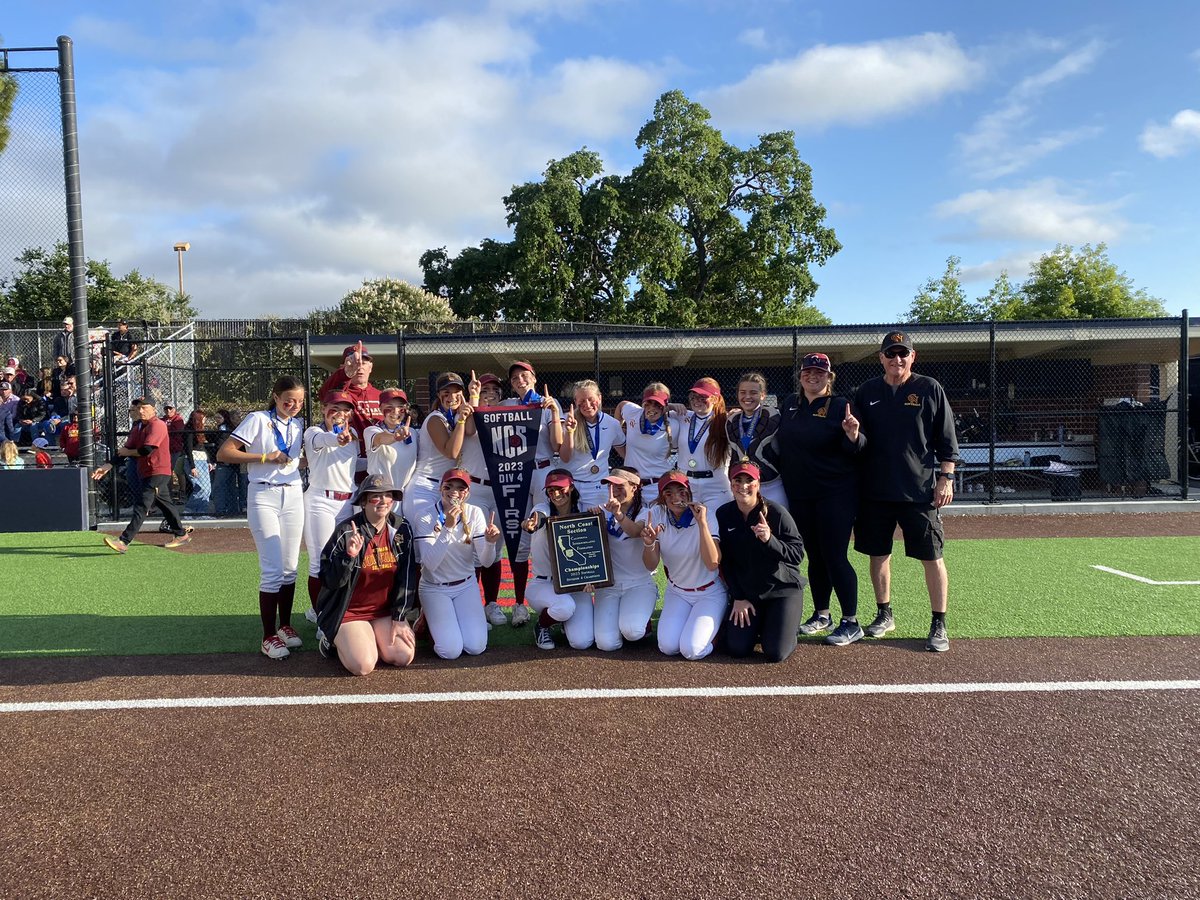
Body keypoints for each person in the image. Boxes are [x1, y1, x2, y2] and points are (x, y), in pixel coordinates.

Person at [853, 331, 959, 653]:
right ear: (881, 357)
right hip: (876, 491)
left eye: (903, 353)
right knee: (878, 554)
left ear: (913, 356)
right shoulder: (867, 392)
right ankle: (884, 614)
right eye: (890, 353)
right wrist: (852, 435)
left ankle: (939, 623)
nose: (897, 359)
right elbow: (858, 441)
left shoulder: (929, 389)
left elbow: (947, 441)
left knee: (932, 557)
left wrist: (947, 478)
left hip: (919, 492)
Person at [775, 352, 866, 646]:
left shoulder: (841, 406)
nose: (813, 377)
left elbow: (858, 449)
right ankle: (822, 614)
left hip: (834, 494)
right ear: (800, 375)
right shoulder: (790, 404)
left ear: (829, 377)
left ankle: (851, 622)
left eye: (819, 373)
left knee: (834, 555)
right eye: (808, 372)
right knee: (813, 555)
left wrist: (853, 435)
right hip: (800, 494)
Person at [216, 375, 306, 660]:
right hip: (263, 495)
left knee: (291, 567)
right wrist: (264, 457)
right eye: (288, 400)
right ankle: (268, 636)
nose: (294, 406)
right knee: (272, 569)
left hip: (293, 493)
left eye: (300, 401)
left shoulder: (298, 424)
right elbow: (225, 453)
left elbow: (293, 458)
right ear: (276, 397)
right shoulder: (257, 419)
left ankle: (285, 626)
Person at [314, 474, 417, 676]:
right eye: (375, 496)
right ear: (363, 502)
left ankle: (368, 637)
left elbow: (407, 575)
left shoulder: (401, 528)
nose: (383, 501)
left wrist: (400, 617)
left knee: (403, 655)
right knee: (363, 666)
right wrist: (348, 556)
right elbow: (329, 580)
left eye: (388, 495)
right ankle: (331, 639)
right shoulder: (346, 531)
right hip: (349, 612)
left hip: (382, 611)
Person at [717, 460, 807, 662]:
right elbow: (727, 562)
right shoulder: (724, 514)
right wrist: (738, 597)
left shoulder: (776, 513)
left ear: (758, 484)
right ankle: (763, 624)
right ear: (731, 484)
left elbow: (796, 555)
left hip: (781, 590)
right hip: (749, 595)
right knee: (737, 648)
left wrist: (770, 540)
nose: (743, 486)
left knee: (775, 653)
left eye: (749, 480)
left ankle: (785, 626)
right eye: (737, 480)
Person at [413, 467, 502, 659]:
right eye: (449, 486)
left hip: (466, 585)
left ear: (468, 493)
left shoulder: (475, 512)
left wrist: (490, 543)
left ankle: (445, 621)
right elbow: (430, 564)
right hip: (434, 587)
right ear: (440, 488)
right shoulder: (425, 515)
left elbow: (486, 563)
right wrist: (448, 528)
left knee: (476, 647)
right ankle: (428, 619)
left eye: (461, 488)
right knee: (450, 651)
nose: (454, 492)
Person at [501, 360, 564, 628]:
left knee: (544, 532)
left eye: (524, 376)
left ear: (534, 377)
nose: (519, 380)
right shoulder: (508, 405)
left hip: (542, 470)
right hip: (515, 471)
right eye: (514, 378)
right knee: (518, 538)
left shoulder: (549, 402)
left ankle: (556, 597)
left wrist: (553, 414)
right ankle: (518, 604)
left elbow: (557, 443)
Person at [640, 470, 725, 660]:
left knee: (692, 650)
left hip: (709, 592)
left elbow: (713, 563)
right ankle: (695, 625)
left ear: (689, 492)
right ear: (662, 496)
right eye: (668, 493)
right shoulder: (657, 514)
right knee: (668, 647)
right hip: (677, 591)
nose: (675, 497)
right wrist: (649, 543)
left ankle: (718, 632)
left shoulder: (706, 514)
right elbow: (650, 564)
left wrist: (702, 523)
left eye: (681, 490)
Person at [91, 397, 193, 554]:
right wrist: (108, 465)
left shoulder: (157, 425)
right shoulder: (138, 426)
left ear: (154, 409)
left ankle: (123, 541)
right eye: (138, 408)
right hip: (146, 471)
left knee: (141, 506)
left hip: (158, 471)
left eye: (144, 407)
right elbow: (126, 449)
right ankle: (181, 534)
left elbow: (147, 450)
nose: (140, 411)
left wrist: (127, 452)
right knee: (165, 504)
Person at [522, 468, 595, 651]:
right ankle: (542, 624)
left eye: (560, 488)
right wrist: (530, 523)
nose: (555, 493)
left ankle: (563, 621)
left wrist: (593, 577)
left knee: (582, 642)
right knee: (564, 607)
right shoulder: (543, 507)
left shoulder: (584, 509)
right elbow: (538, 517)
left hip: (576, 584)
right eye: (551, 490)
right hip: (544, 584)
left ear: (571, 487)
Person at [302, 392, 360, 622]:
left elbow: (352, 464)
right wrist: (338, 439)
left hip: (348, 502)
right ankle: (321, 614)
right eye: (334, 408)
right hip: (320, 502)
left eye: (345, 409)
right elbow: (325, 441)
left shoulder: (353, 433)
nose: (339, 413)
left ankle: (335, 608)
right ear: (324, 408)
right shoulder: (313, 432)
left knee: (345, 559)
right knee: (320, 562)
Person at [460, 372, 509, 627]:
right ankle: (472, 604)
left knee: (494, 545)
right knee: (475, 547)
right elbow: (469, 430)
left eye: (495, 390)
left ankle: (491, 602)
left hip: (500, 486)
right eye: (485, 389)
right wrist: (475, 398)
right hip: (476, 486)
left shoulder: (505, 415)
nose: (490, 393)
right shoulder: (470, 410)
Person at [589, 466, 656, 651]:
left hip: (639, 583)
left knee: (632, 631)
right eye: (610, 486)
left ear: (635, 486)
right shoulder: (602, 510)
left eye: (620, 486)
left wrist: (618, 514)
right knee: (606, 644)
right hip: (610, 585)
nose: (614, 491)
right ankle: (622, 619)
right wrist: (590, 522)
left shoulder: (646, 511)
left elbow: (636, 531)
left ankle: (642, 620)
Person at [407, 372, 475, 522]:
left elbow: (471, 431)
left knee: (445, 537)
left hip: (446, 487)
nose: (452, 397)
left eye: (457, 392)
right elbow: (451, 452)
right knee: (424, 538)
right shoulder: (435, 419)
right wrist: (462, 420)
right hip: (425, 487)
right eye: (446, 392)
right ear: (438, 394)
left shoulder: (453, 417)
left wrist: (473, 399)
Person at [318, 343, 383, 480]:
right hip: (348, 468)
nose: (359, 366)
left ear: (370, 367)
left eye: (364, 362)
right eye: (353, 362)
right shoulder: (341, 393)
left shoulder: (381, 396)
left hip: (380, 466)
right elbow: (327, 393)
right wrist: (345, 374)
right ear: (343, 367)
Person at [560, 379, 625, 509]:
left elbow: (625, 454)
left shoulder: (612, 424)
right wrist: (569, 432)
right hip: (572, 485)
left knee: (598, 526)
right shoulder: (567, 421)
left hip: (599, 486)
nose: (587, 404)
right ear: (575, 402)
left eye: (591, 399)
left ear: (599, 398)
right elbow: (565, 458)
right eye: (582, 401)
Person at [726, 371, 787, 507]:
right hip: (744, 487)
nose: (747, 397)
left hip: (772, 485)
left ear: (763, 395)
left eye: (753, 392)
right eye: (742, 392)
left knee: (777, 525)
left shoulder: (774, 416)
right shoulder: (731, 421)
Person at [674, 377, 734, 511]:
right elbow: (655, 410)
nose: (697, 401)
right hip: (687, 483)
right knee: (690, 529)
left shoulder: (724, 420)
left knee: (716, 527)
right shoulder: (683, 416)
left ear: (715, 399)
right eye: (693, 397)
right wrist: (671, 405)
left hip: (716, 485)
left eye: (702, 397)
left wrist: (737, 414)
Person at [616, 383, 674, 506]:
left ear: (665, 406)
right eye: (649, 403)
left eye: (658, 404)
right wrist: (619, 436)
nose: (652, 408)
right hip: (632, 486)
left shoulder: (674, 423)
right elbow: (621, 406)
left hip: (657, 487)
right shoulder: (633, 412)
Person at [182, 410, 215, 516]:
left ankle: (202, 512)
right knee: (201, 488)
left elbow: (202, 448)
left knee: (207, 489)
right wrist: (192, 467)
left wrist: (209, 462)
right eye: (203, 418)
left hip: (203, 460)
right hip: (195, 461)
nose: (205, 420)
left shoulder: (200, 431)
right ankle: (189, 511)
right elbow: (188, 449)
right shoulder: (189, 431)